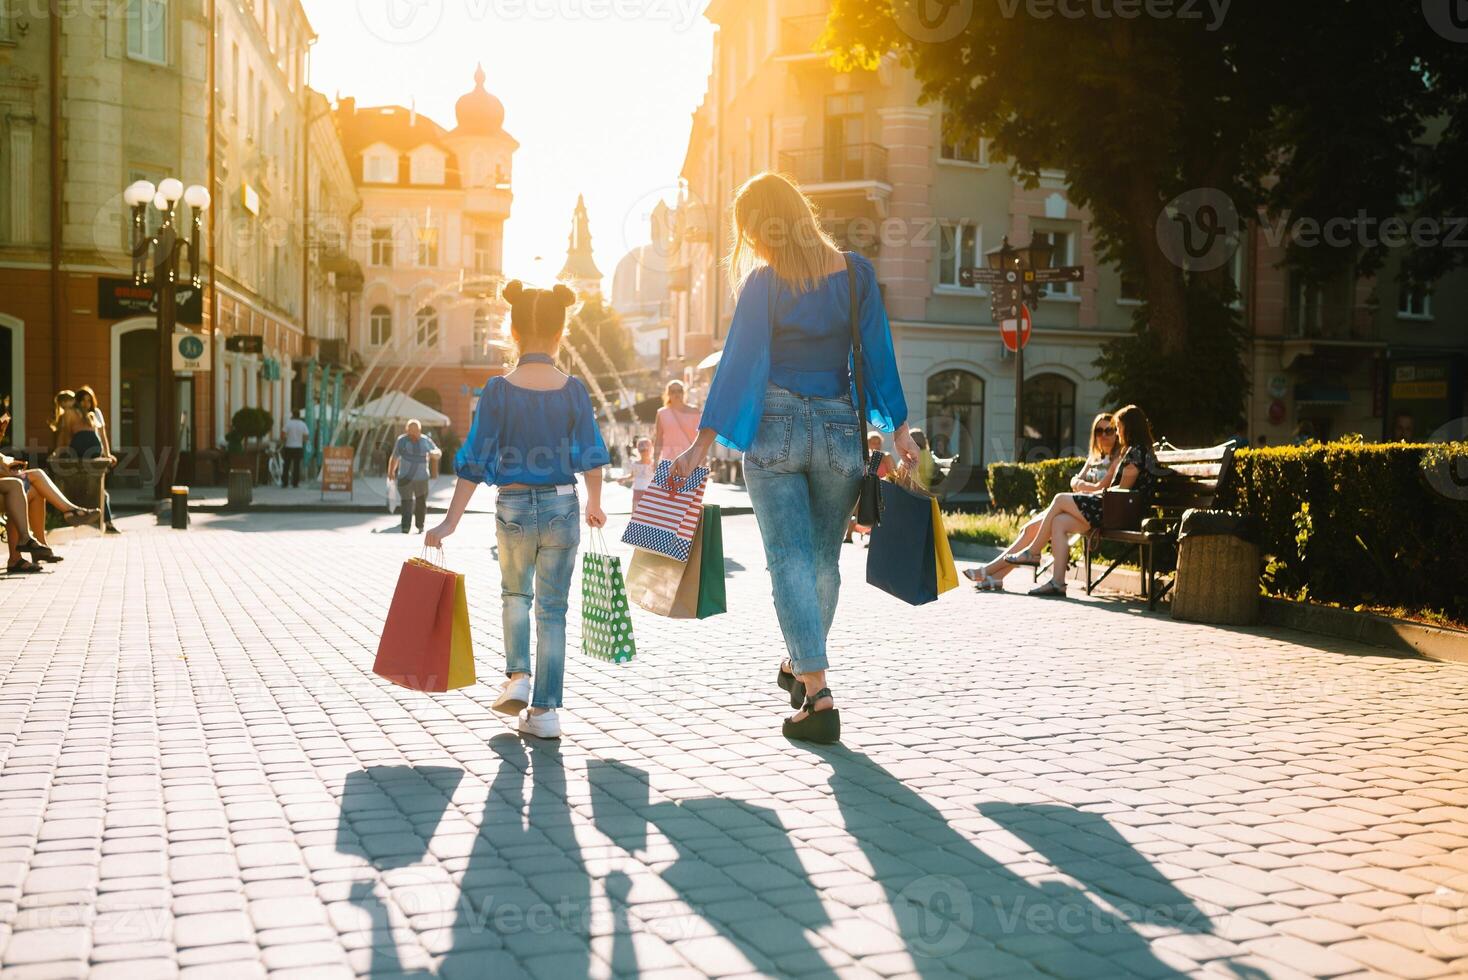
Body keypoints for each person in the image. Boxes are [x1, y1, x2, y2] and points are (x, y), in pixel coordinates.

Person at [670, 172, 918, 744]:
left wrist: (701, 445)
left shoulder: (765, 280)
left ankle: (819, 693)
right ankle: (799, 663)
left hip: (776, 425)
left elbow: (737, 364)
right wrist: (900, 428)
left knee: (787, 560)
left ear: (760, 230)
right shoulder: (856, 275)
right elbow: (878, 354)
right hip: (838, 427)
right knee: (824, 561)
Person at [427, 280, 608, 740]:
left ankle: (518, 677)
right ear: (559, 333)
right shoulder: (573, 390)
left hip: (511, 505)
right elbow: (591, 453)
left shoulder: (498, 390)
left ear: (513, 332)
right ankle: (545, 712)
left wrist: (449, 521)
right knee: (553, 610)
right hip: (563, 506)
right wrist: (596, 504)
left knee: (515, 597)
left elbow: (474, 458)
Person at [1004, 404, 1161, 597]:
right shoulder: (1136, 451)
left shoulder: (1137, 452)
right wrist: (1096, 494)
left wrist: (1095, 494)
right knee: (1059, 522)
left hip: (1122, 511)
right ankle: (1058, 583)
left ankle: (1033, 552)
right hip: (1116, 507)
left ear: (1130, 427)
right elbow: (1119, 490)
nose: (1118, 433)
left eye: (1119, 427)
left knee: (1060, 498)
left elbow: (1123, 490)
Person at [965, 412, 1121, 591]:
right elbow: (1074, 481)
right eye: (1099, 431)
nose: (1103, 435)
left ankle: (989, 570)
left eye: (1108, 430)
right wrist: (1081, 484)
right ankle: (999, 576)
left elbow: (1100, 487)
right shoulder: (1094, 457)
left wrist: (1081, 484)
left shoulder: (1117, 458)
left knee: (1040, 523)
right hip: (1078, 509)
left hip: (1093, 513)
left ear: (1116, 432)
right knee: (1031, 528)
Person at [63, 385, 120, 535]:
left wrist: (107, 454)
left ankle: (106, 521)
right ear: (78, 401)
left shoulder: (96, 413)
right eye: (83, 400)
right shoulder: (73, 414)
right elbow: (67, 434)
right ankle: (105, 522)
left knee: (100, 488)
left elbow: (103, 435)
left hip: (94, 451)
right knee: (95, 489)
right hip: (79, 451)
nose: (86, 404)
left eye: (89, 400)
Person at [387, 419, 441, 534]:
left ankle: (420, 526)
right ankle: (405, 527)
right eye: (410, 430)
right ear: (407, 430)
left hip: (422, 478)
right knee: (406, 502)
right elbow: (395, 457)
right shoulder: (401, 441)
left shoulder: (425, 440)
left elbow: (437, 452)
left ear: (419, 430)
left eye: (415, 430)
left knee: (421, 503)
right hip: (405, 478)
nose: (413, 433)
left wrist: (433, 454)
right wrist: (391, 471)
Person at [653, 380, 700, 467]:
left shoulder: (694, 411)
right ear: (668, 394)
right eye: (673, 391)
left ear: (684, 393)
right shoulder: (662, 413)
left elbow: (700, 436)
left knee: (690, 481)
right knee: (666, 481)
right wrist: (655, 459)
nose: (676, 394)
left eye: (679, 391)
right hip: (668, 458)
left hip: (690, 457)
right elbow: (658, 438)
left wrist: (702, 458)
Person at [618, 436, 656, 512]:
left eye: (646, 449)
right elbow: (632, 476)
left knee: (650, 514)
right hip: (638, 491)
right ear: (638, 451)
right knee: (636, 513)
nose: (644, 452)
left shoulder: (654, 464)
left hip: (651, 493)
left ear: (651, 450)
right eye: (642, 450)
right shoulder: (635, 464)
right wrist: (624, 478)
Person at [281, 410, 310, 488]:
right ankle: (295, 483)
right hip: (298, 447)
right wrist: (302, 440)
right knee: (296, 466)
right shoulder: (303, 424)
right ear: (299, 415)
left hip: (289, 446)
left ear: (293, 415)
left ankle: (285, 482)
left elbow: (283, 434)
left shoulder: (288, 423)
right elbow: (307, 436)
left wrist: (284, 441)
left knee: (286, 465)